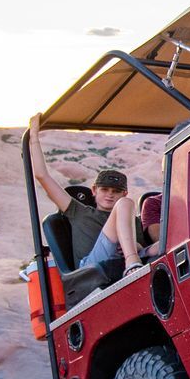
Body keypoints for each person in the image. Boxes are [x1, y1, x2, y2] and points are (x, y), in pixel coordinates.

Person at [27, 113, 130, 275]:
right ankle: (132, 263)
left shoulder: (131, 220)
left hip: (120, 261)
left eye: (116, 191)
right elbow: (42, 176)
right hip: (93, 268)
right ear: (94, 190)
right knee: (126, 205)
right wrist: (33, 137)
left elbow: (142, 246)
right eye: (105, 190)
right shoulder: (79, 212)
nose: (110, 195)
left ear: (124, 193)